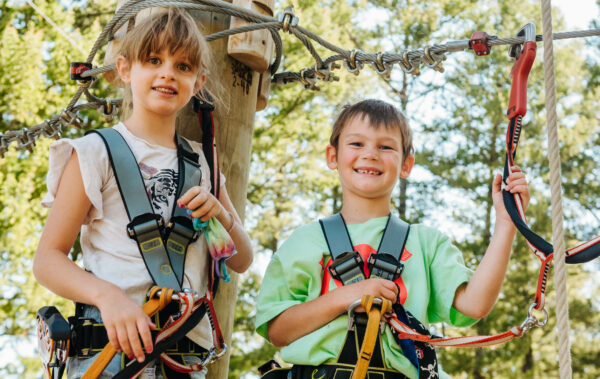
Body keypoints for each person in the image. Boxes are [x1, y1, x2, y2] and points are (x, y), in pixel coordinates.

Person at [33, 8, 253, 379]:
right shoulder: (94, 152)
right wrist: (108, 297)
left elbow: (240, 260)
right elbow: (48, 261)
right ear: (124, 69)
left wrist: (221, 215)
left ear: (198, 82)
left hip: (183, 358)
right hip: (110, 352)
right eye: (154, 60)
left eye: (182, 66)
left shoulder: (202, 163)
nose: (167, 72)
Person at [255, 99, 529, 378]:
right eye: (357, 144)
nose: (370, 154)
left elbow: (474, 304)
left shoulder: (426, 244)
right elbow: (278, 331)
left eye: (385, 147)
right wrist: (344, 297)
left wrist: (506, 224)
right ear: (332, 156)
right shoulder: (306, 242)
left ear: (406, 164)